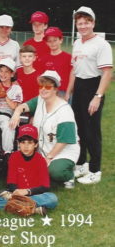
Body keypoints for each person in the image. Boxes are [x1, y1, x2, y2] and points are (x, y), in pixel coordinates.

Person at [65, 6, 113, 184]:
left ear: (93, 23)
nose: (83, 26)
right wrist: (68, 92)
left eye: (86, 22)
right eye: (80, 23)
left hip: (93, 87)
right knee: (79, 129)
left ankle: (95, 170)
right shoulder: (77, 43)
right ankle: (82, 163)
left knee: (92, 131)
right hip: (79, 86)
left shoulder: (102, 44)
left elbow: (107, 73)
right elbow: (74, 70)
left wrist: (97, 96)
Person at [10, 70, 80, 189]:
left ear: (55, 89)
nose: (43, 89)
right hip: (42, 149)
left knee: (54, 172)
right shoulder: (40, 100)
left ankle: (69, 174)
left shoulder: (64, 110)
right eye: (41, 85)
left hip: (62, 151)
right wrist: (17, 112)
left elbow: (64, 140)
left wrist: (49, 158)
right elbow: (23, 106)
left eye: (47, 86)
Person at [0, 124, 58, 214]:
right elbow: (11, 182)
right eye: (23, 142)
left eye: (30, 142)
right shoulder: (14, 157)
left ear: (35, 144)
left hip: (34, 194)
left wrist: (27, 191)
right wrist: (15, 191)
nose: (26, 146)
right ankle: (34, 209)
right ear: (18, 144)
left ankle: (18, 206)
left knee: (52, 199)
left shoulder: (41, 160)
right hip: (17, 194)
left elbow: (45, 186)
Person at [40, 27, 72, 99]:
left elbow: (72, 77)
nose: (52, 43)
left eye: (55, 40)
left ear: (61, 40)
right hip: (47, 91)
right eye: (49, 41)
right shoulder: (43, 58)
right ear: (46, 42)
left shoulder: (68, 57)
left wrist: (68, 93)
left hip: (63, 92)